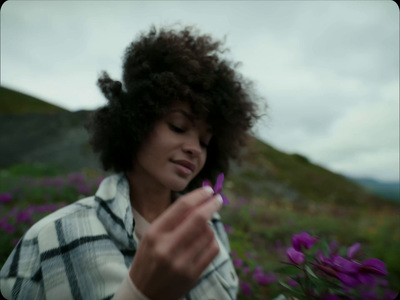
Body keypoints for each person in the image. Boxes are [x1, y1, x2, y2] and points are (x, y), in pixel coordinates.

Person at [0, 25, 260, 299]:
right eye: (178, 126)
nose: (195, 148)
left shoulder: (211, 227)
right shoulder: (52, 237)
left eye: (205, 142)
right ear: (136, 121)